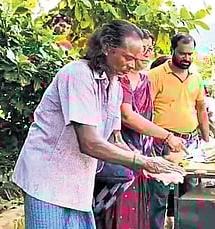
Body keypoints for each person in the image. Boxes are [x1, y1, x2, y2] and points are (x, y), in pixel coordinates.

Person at [12, 20, 184, 229]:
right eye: (128, 57)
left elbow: (114, 137)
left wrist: (146, 164)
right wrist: (141, 161)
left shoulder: (114, 85)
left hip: (77, 181)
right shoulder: (77, 74)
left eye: (136, 59)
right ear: (106, 48)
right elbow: (89, 143)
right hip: (47, 178)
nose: (132, 65)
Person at [92, 29, 186, 229]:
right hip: (120, 158)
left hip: (140, 155)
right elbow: (127, 117)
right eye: (143, 49)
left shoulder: (145, 80)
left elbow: (147, 116)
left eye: (150, 49)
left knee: (139, 215)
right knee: (115, 214)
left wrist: (154, 156)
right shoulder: (118, 79)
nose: (146, 54)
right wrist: (167, 137)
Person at [148, 33, 210, 229]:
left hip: (189, 143)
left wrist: (207, 141)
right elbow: (145, 110)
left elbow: (201, 110)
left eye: (191, 54)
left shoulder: (196, 78)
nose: (187, 58)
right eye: (183, 54)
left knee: (189, 195)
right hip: (161, 142)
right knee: (159, 194)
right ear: (172, 51)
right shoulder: (155, 75)